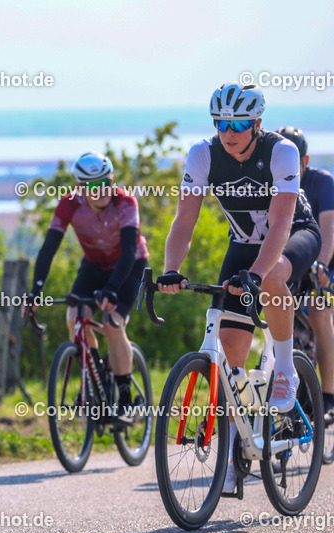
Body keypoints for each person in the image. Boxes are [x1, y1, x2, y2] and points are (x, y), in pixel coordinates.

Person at [158, 83, 320, 494]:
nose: (228, 132)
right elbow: (184, 221)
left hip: (295, 234)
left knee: (271, 276)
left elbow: (282, 224)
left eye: (238, 124)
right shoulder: (203, 154)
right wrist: (170, 269)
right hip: (243, 245)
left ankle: (284, 367)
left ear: (257, 123)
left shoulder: (280, 151)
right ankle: (237, 453)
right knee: (230, 352)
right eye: (221, 123)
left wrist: (258, 271)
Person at [24, 152, 150, 425]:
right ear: (81, 189)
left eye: (106, 182)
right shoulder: (69, 205)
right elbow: (48, 248)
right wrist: (36, 290)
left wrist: (114, 288)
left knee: (113, 323)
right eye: (93, 186)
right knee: (74, 318)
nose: (102, 190)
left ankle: (126, 397)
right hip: (93, 265)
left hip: (129, 266)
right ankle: (96, 380)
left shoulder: (126, 202)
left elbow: (129, 250)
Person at [279, 126, 334, 424]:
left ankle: (328, 396)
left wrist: (322, 264)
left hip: (326, 260)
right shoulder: (273, 183)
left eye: (295, 161)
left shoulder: (321, 182)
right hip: (293, 261)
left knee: (318, 312)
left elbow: (328, 230)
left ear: (306, 160)